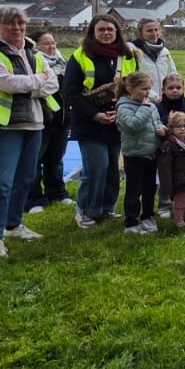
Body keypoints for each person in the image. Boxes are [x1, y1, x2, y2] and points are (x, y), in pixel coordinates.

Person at [0, 7, 59, 259]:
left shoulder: (32, 51)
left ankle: (13, 225)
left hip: (35, 123)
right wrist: (37, 81)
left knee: (26, 178)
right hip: (3, 126)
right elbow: (8, 83)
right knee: (0, 183)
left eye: (21, 23)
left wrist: (32, 83)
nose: (17, 28)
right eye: (10, 24)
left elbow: (53, 84)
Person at [64, 14, 137, 230]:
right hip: (89, 121)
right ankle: (85, 209)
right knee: (97, 166)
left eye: (110, 29)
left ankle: (106, 207)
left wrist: (121, 111)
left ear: (117, 32)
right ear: (93, 33)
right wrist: (95, 115)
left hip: (117, 119)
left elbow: (134, 85)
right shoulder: (80, 56)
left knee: (112, 168)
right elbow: (70, 92)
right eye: (101, 29)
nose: (106, 33)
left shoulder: (128, 56)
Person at [24, 30, 73, 212]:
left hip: (62, 118)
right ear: (35, 45)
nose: (52, 47)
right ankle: (34, 199)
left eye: (53, 43)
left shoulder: (64, 62)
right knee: (35, 160)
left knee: (56, 159)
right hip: (41, 118)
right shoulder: (33, 62)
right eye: (46, 43)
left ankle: (57, 193)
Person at [115, 71, 166, 235]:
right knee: (134, 189)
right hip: (134, 154)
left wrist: (161, 128)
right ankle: (130, 222)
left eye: (149, 89)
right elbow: (132, 125)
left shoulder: (150, 104)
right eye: (144, 89)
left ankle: (148, 216)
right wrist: (145, 108)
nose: (147, 93)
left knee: (150, 187)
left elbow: (156, 120)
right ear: (130, 89)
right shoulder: (123, 107)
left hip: (151, 152)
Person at [131, 18, 176, 102]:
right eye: (149, 31)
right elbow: (134, 80)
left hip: (165, 100)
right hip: (143, 101)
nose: (154, 33)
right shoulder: (134, 51)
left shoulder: (164, 51)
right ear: (141, 33)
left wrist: (169, 93)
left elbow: (173, 75)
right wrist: (154, 97)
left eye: (156, 30)